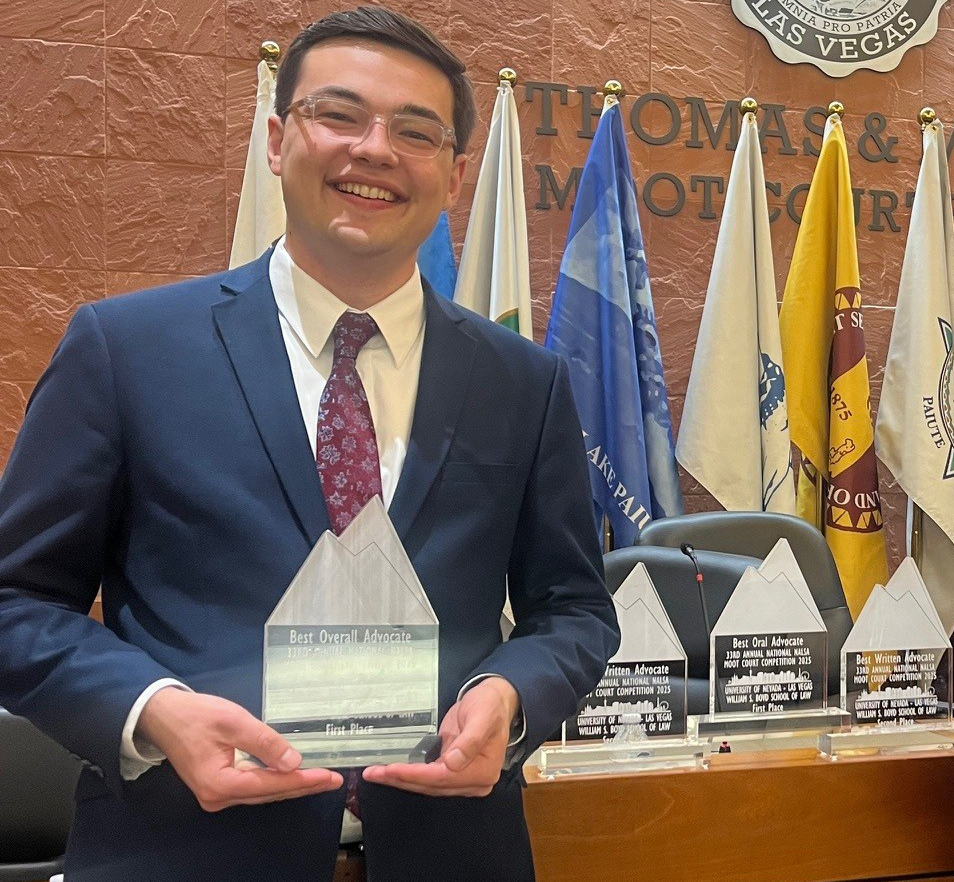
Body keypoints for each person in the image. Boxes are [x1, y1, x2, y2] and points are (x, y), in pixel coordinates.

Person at [0, 7, 618, 881]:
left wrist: (510, 695)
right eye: (340, 115)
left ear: (456, 169)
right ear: (277, 136)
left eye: (415, 131)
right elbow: (15, 601)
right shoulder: (126, 350)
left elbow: (575, 609)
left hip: (451, 856)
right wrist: (154, 710)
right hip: (185, 853)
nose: (375, 149)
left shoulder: (523, 380)